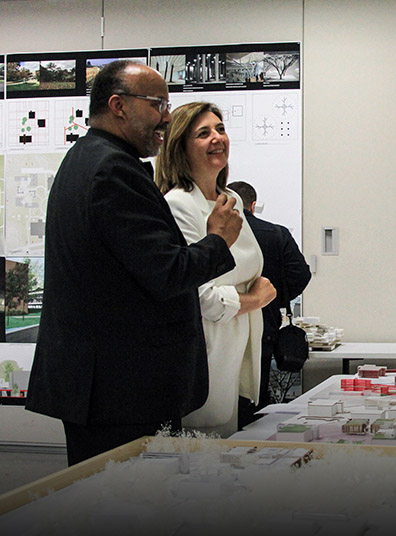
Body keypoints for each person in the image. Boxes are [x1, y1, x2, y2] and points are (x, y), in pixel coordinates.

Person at [25, 60, 243, 466]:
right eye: (158, 103)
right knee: (130, 506)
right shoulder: (112, 170)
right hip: (122, 389)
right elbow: (167, 273)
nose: (165, 116)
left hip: (110, 385)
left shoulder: (90, 159)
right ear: (119, 105)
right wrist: (217, 240)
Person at [154, 102, 276, 438]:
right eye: (203, 133)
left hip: (239, 352)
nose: (216, 138)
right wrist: (257, 298)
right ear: (180, 146)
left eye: (220, 129)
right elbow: (202, 297)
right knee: (202, 463)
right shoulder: (178, 204)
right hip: (205, 355)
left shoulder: (230, 198)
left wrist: (246, 297)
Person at [227, 181, 311, 426]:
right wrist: (274, 298)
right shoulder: (276, 233)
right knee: (255, 393)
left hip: (223, 320)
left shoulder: (215, 232)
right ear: (253, 205)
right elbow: (301, 275)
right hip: (264, 322)